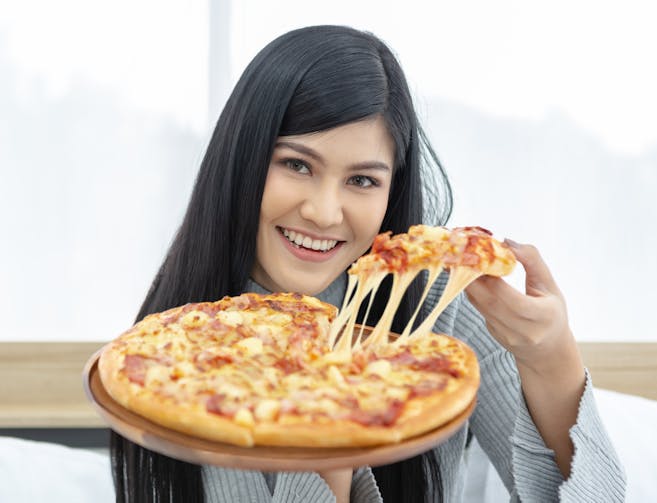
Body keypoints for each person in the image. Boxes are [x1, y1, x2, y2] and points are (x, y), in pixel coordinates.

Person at [110, 25, 626, 502]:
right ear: (243, 159)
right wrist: (334, 425)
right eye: (296, 164)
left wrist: (552, 356)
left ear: (391, 190)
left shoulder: (439, 305)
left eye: (362, 180)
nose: (323, 212)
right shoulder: (179, 352)